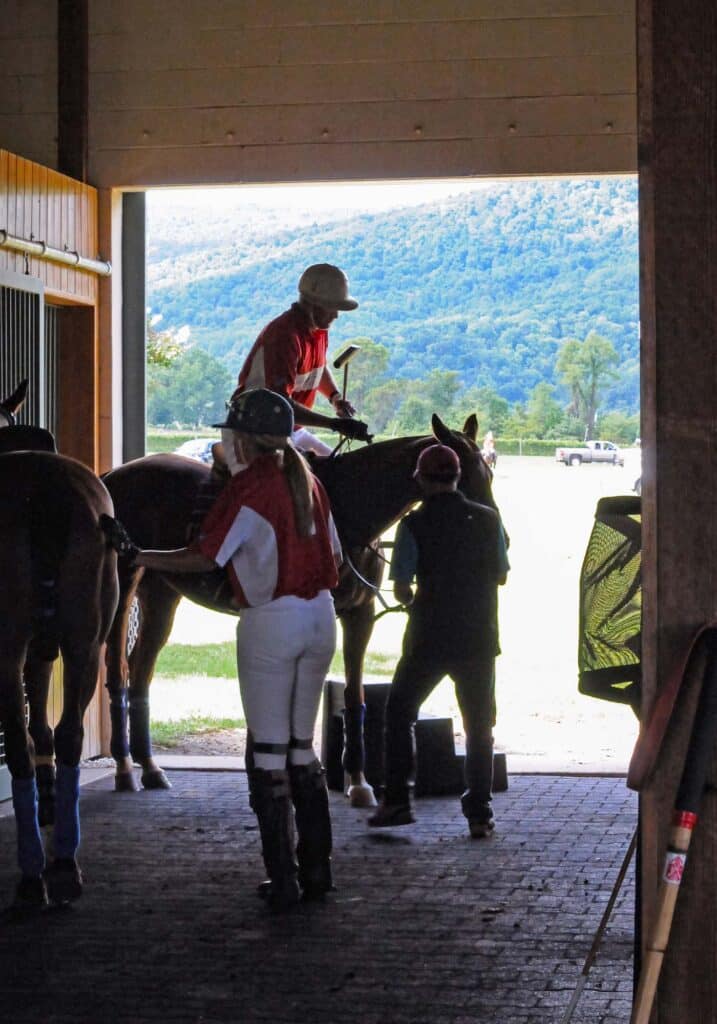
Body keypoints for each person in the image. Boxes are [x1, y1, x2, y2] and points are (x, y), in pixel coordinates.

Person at [131, 388, 342, 909]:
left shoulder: (248, 488)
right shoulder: (310, 481)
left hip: (271, 622)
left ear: (244, 437)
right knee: (302, 749)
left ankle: (284, 880)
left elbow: (206, 557)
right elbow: (336, 553)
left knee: (268, 755)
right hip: (321, 619)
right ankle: (317, 869)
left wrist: (140, 555)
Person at [368, 443, 509, 838]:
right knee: (480, 725)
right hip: (480, 637)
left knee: (399, 712)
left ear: (421, 479)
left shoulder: (412, 525)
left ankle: (397, 800)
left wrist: (412, 597)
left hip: (428, 638)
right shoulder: (488, 519)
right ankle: (479, 812)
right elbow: (500, 573)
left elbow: (400, 589)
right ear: (458, 477)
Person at [222, 263, 370, 474]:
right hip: (254, 435)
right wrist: (334, 424)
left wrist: (335, 397)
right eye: (333, 307)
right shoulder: (284, 336)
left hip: (290, 431)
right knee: (294, 493)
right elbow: (280, 406)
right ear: (314, 304)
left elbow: (318, 368)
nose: (336, 315)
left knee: (341, 473)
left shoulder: (318, 330)